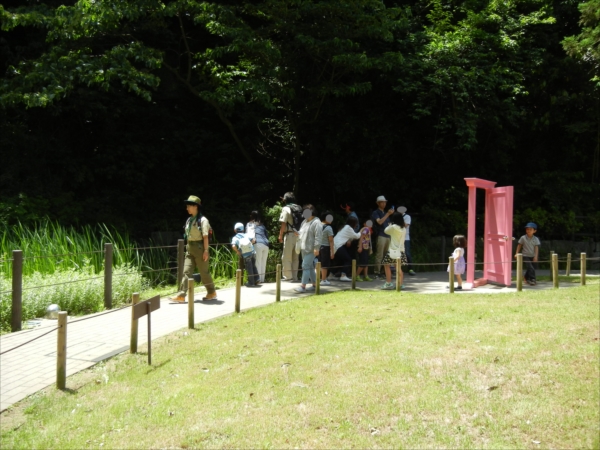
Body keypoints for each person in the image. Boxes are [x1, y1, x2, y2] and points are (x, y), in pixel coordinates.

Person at [171, 195, 217, 302]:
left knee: (204, 272)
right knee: (186, 272)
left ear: (195, 206)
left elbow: (205, 237)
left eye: (189, 206)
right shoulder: (189, 220)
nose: (187, 208)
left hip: (200, 248)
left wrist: (206, 251)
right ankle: (181, 295)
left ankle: (211, 292)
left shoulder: (203, 220)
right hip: (190, 248)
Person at [295, 205, 323, 293]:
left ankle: (303, 286)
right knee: (310, 266)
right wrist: (297, 233)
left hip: (311, 249)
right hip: (303, 247)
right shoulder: (304, 221)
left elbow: (318, 237)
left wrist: (316, 248)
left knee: (305, 265)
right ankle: (315, 285)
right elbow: (301, 232)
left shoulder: (317, 222)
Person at [381, 211, 408, 290]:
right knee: (398, 268)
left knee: (386, 265)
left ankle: (388, 282)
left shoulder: (393, 227)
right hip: (401, 250)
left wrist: (390, 225)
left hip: (392, 250)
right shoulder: (403, 228)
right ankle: (401, 284)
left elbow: (385, 230)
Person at [278, 192, 301, 281]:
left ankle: (288, 277)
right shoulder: (299, 208)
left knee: (286, 256)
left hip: (290, 234)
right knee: (296, 257)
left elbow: (283, 223)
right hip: (298, 235)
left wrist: (280, 235)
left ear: (285, 199)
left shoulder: (286, 208)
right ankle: (294, 277)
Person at [371, 196, 394, 278]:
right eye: (382, 202)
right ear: (378, 203)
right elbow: (380, 222)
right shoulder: (376, 212)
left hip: (388, 236)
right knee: (379, 255)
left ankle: (384, 271)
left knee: (386, 255)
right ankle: (376, 272)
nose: (384, 204)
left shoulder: (385, 213)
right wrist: (388, 214)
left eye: (385, 202)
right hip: (381, 235)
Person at [332, 216, 361, 282]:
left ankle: (331, 274)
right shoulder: (349, 228)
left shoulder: (344, 227)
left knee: (339, 260)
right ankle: (343, 275)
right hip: (339, 245)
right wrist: (361, 231)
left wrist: (349, 240)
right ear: (353, 223)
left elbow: (348, 236)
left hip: (335, 245)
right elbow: (356, 236)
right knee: (348, 259)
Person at [232, 222, 259, 287]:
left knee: (249, 268)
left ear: (235, 230)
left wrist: (237, 251)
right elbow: (253, 241)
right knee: (253, 266)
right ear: (243, 229)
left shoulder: (235, 237)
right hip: (252, 252)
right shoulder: (246, 235)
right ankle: (257, 279)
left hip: (246, 255)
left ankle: (251, 283)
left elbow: (233, 246)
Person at [247, 211, 269, 283]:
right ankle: (262, 280)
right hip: (266, 244)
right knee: (263, 263)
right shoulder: (262, 225)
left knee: (258, 262)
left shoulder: (250, 224)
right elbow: (266, 235)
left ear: (251, 216)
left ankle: (258, 280)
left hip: (257, 244)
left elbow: (248, 235)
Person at [398, 206, 416, 276]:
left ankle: (410, 269)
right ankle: (399, 269)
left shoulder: (407, 216)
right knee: (398, 254)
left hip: (406, 238)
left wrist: (398, 222)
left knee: (407, 254)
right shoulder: (396, 216)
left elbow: (405, 225)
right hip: (397, 238)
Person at [319, 212, 335, 286]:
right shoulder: (329, 228)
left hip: (318, 247)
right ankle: (324, 280)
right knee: (325, 264)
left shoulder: (317, 226)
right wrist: (332, 251)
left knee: (319, 263)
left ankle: (318, 278)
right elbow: (331, 240)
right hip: (326, 247)